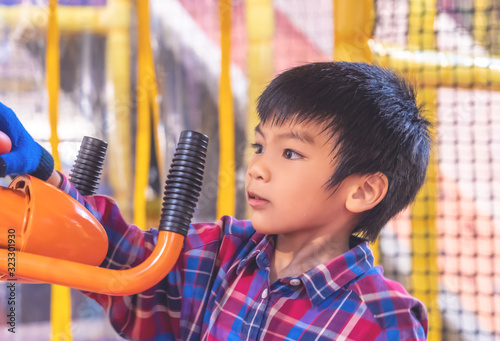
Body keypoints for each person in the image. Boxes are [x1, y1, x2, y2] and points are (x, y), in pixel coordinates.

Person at [0, 62, 430, 340]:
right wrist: (44, 171)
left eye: (291, 153)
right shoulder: (219, 255)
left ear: (362, 191)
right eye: (260, 147)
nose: (258, 168)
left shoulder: (384, 321)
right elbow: (114, 257)